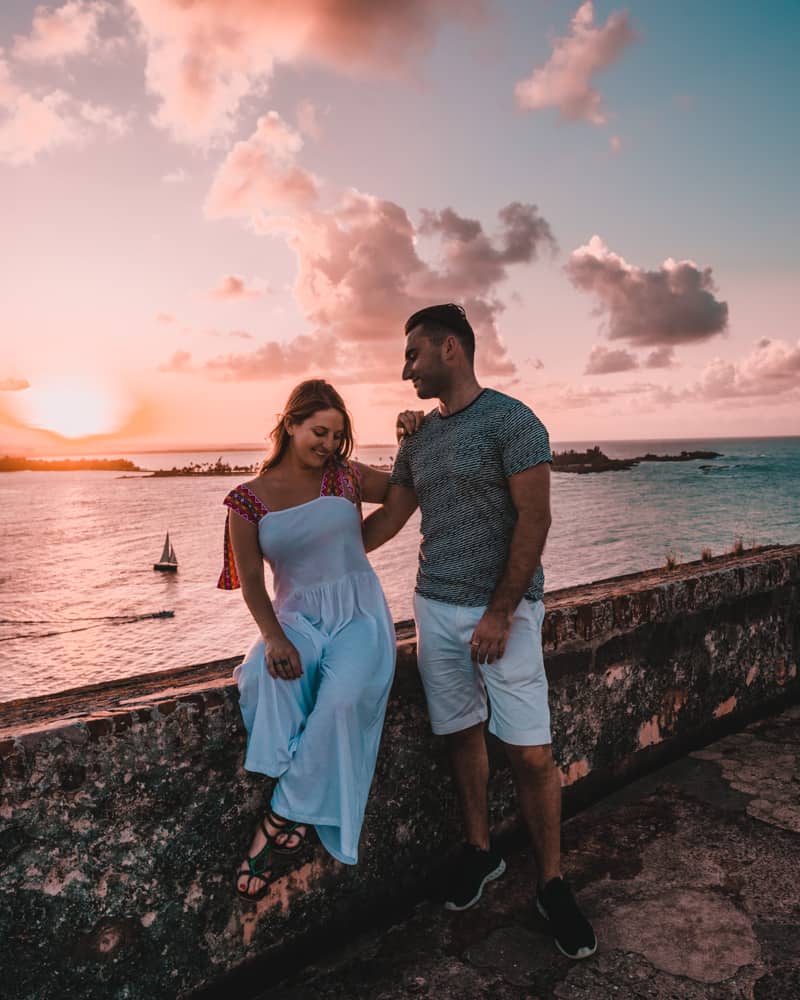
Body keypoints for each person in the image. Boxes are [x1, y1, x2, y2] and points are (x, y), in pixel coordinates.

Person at [362, 303, 597, 960]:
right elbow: (391, 519)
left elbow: (535, 522)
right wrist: (317, 554)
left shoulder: (513, 422)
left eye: (412, 354)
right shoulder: (421, 441)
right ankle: (480, 852)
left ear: (451, 351)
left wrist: (500, 612)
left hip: (507, 612)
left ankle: (552, 884)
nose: (404, 367)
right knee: (461, 735)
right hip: (433, 608)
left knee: (530, 753)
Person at [218, 378, 397, 900]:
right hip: (293, 614)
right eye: (319, 431)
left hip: (358, 610)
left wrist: (411, 439)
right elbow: (252, 582)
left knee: (343, 701)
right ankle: (302, 795)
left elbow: (404, 491)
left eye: (337, 437)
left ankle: (280, 815)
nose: (327, 444)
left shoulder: (343, 478)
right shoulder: (246, 501)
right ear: (290, 424)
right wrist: (273, 639)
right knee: (260, 672)